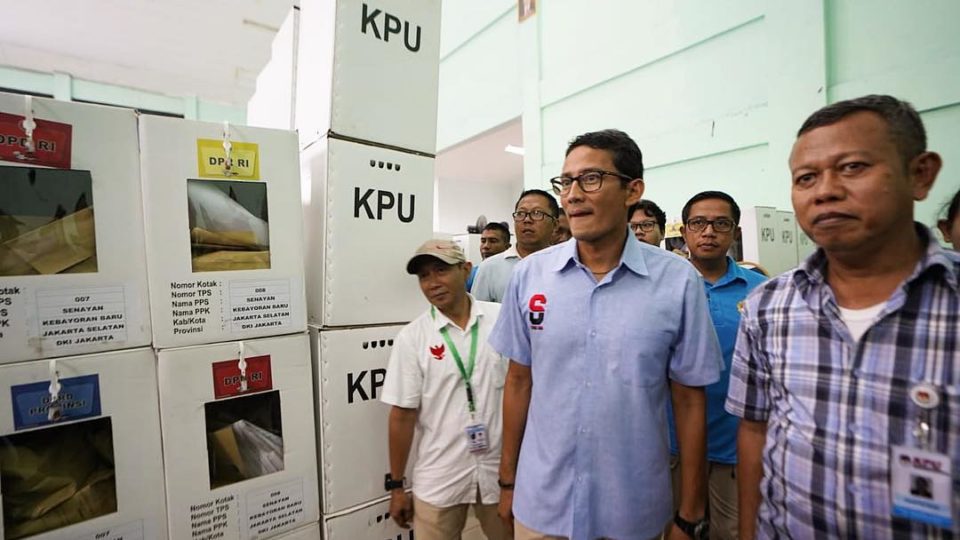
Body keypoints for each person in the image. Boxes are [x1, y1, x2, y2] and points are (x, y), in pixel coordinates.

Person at [726, 95, 958, 538]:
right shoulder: (769, 305)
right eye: (806, 177)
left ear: (920, 174)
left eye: (852, 167)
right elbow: (754, 431)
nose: (825, 190)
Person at [490, 129, 723, 540]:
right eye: (566, 182)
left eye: (591, 179)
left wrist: (690, 511)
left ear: (633, 190)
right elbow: (518, 381)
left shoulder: (676, 282)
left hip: (632, 509)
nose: (573, 194)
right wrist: (508, 480)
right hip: (541, 503)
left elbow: (688, 400)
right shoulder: (530, 276)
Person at [381, 239, 510, 540]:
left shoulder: (502, 318)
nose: (432, 283)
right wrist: (397, 486)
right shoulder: (412, 338)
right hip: (440, 476)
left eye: (440, 270)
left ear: (465, 270)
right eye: (424, 276)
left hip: (501, 474)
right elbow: (402, 415)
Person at [667, 191, 767, 540]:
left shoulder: (760, 292)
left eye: (720, 223)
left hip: (734, 443)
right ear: (685, 231)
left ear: (735, 232)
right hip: (671, 443)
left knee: (734, 532)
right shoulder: (663, 286)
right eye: (698, 223)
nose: (708, 232)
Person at [472, 190, 558, 302]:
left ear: (555, 224)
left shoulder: (565, 266)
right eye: (521, 214)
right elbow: (480, 314)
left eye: (537, 213)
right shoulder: (489, 268)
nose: (527, 220)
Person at [469, 222, 512, 291]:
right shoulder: (471, 274)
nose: (486, 246)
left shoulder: (514, 272)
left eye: (493, 241)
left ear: (507, 247)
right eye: (483, 241)